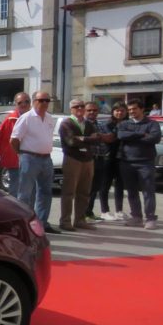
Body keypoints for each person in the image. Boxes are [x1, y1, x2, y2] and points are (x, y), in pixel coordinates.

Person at [10, 91, 59, 234]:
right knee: (25, 194)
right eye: (41, 100)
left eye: (47, 100)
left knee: (45, 192)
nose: (44, 103)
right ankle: (23, 224)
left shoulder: (50, 118)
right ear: (34, 101)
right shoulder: (26, 118)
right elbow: (14, 139)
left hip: (46, 158)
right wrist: (21, 154)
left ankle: (42, 223)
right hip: (30, 158)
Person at [117, 99, 161, 230]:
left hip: (145, 162)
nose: (131, 112)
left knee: (148, 191)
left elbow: (155, 138)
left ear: (142, 109)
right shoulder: (124, 123)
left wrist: (132, 137)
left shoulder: (152, 124)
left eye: (134, 109)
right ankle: (136, 217)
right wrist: (141, 134)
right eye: (129, 110)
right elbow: (121, 135)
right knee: (131, 191)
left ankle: (150, 218)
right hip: (127, 162)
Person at [58, 99, 100, 231]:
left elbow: (97, 139)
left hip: (88, 160)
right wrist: (87, 140)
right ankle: (65, 221)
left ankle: (80, 220)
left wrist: (82, 138)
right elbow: (71, 141)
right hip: (72, 159)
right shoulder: (66, 123)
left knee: (84, 192)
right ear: (71, 109)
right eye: (77, 107)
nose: (80, 108)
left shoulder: (88, 123)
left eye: (82, 106)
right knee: (69, 192)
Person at [0, 92, 30, 197]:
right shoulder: (9, 120)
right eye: (20, 102)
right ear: (15, 104)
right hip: (14, 162)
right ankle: (16, 212)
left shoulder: (34, 118)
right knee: (15, 190)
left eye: (27, 101)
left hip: (31, 162)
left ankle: (30, 213)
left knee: (30, 192)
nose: (24, 104)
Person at [83, 102, 113, 223]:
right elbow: (84, 139)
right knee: (86, 188)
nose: (92, 112)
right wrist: (99, 137)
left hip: (100, 159)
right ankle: (83, 214)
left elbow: (110, 138)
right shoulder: (82, 124)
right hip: (88, 159)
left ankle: (89, 212)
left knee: (96, 187)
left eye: (94, 110)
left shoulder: (101, 125)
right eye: (89, 110)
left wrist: (98, 136)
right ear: (85, 111)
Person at [97, 103, 128, 221]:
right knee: (105, 184)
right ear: (113, 112)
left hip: (123, 158)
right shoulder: (107, 124)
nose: (119, 113)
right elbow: (111, 137)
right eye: (117, 110)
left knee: (120, 185)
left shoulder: (129, 123)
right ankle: (104, 211)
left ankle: (119, 210)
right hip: (108, 157)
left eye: (122, 111)